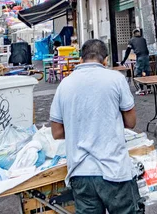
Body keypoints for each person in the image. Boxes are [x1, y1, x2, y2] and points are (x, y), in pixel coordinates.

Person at [50, 39, 140, 214]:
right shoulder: (116, 79)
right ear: (105, 60)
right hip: (114, 171)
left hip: (80, 173)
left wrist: (80, 127)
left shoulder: (65, 85)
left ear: (81, 60)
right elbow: (131, 122)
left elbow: (56, 132)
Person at [121, 29, 150, 95]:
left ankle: (141, 89)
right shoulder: (143, 39)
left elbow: (128, 51)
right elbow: (146, 49)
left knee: (138, 73)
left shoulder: (131, 40)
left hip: (140, 57)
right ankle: (149, 89)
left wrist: (124, 60)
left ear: (133, 34)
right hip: (146, 56)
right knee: (147, 72)